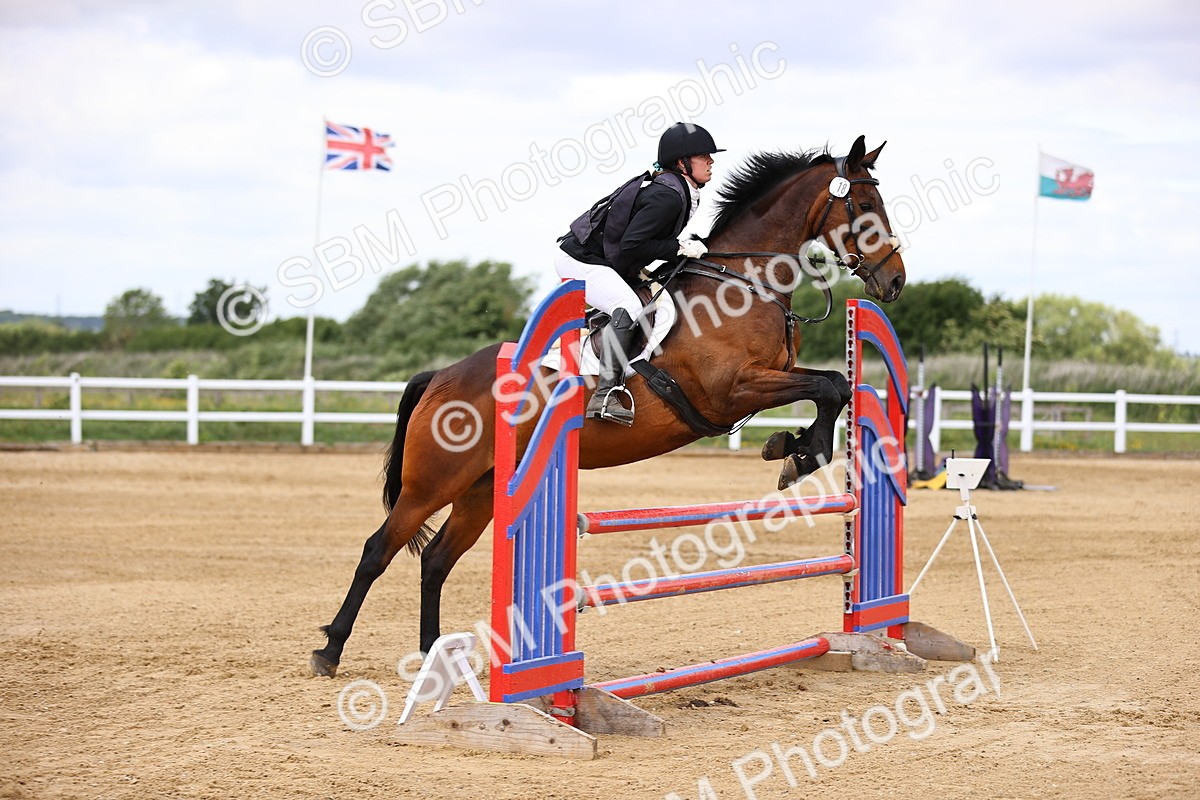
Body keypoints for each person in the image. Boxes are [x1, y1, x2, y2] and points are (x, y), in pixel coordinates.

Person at [555, 121, 724, 425]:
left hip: (605, 258)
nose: (711, 161)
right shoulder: (668, 196)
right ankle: (605, 394)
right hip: (581, 260)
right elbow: (633, 245)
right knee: (630, 307)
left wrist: (680, 248)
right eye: (704, 156)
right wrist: (679, 248)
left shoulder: (677, 189)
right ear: (682, 162)